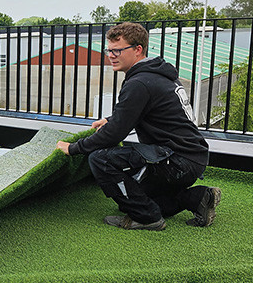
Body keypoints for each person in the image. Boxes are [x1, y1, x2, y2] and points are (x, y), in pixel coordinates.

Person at [56, 21, 221, 230]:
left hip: (176, 161)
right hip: (189, 157)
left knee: (99, 158)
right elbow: (143, 112)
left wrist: (73, 148)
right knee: (138, 196)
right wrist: (110, 119)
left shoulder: (139, 83)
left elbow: (114, 135)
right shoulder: (155, 75)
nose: (111, 55)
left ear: (138, 50)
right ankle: (198, 198)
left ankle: (147, 218)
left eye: (118, 50)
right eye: (109, 50)